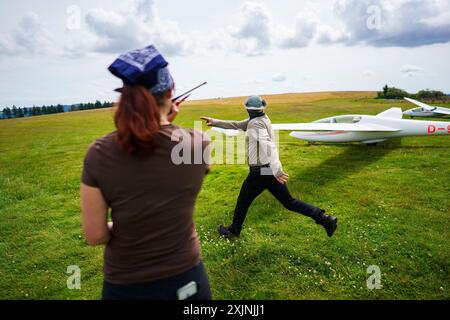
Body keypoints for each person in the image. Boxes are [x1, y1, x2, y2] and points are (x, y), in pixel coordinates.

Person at [80, 45, 212, 300]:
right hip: (187, 280)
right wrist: (168, 123)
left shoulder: (98, 152)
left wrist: (126, 226)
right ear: (170, 93)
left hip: (126, 286)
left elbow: (94, 235)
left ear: (126, 97)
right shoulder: (198, 144)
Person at [201, 96, 337, 239]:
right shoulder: (261, 119)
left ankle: (233, 231)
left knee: (243, 200)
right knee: (289, 202)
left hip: (260, 172)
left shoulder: (255, 124)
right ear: (261, 108)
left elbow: (269, 146)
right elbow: (237, 125)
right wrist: (215, 122)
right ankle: (324, 218)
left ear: (247, 108)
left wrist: (277, 170)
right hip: (267, 170)